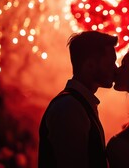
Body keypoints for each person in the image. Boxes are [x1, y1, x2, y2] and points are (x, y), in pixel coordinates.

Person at [38, 31, 118, 168]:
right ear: (90, 64)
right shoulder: (69, 108)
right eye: (111, 62)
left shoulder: (76, 104)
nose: (115, 69)